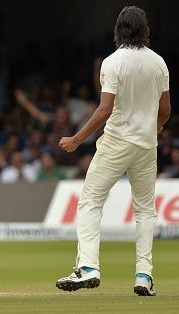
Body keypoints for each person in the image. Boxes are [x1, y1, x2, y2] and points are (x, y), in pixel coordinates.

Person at [55, 6, 170, 297]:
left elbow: (105, 109)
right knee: (145, 211)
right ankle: (144, 276)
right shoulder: (159, 63)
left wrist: (77, 139)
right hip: (146, 146)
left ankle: (89, 267)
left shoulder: (112, 62)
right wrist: (152, 130)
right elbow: (166, 111)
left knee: (90, 202)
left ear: (118, 30)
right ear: (146, 30)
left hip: (117, 142)